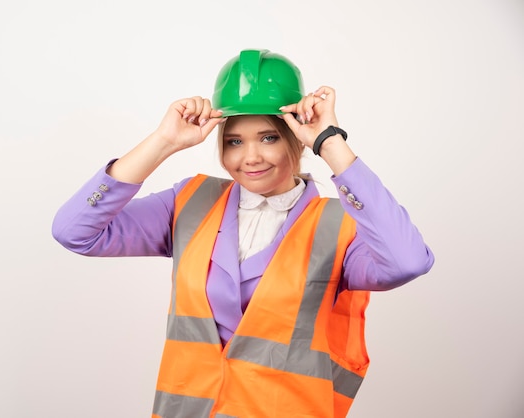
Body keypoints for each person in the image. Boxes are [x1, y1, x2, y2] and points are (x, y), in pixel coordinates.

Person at [52, 49, 435, 418]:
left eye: (268, 137)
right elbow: (74, 232)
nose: (249, 157)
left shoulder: (341, 226)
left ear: (295, 138)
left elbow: (409, 261)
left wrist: (330, 141)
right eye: (234, 141)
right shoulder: (189, 201)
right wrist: (163, 142)